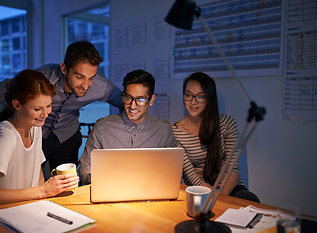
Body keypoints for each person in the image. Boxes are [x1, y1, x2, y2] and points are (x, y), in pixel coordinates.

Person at [0, 41, 124, 179]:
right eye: (79, 77)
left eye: (91, 78)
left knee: (65, 189)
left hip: (68, 138)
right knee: (34, 186)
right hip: (35, 137)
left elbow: (127, 103)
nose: (86, 85)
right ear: (64, 68)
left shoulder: (101, 86)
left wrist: (117, 138)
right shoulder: (39, 79)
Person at [0, 69, 79, 211]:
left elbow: (38, 178)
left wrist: (49, 191)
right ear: (17, 105)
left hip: (14, 213)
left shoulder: (35, 127)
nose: (45, 114)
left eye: (48, 106)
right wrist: (43, 191)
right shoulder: (4, 137)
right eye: (37, 109)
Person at [172, 72, 260, 202]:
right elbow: (191, 174)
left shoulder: (227, 123)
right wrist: (209, 193)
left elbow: (232, 168)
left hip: (229, 187)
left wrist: (220, 198)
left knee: (250, 201)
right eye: (188, 95)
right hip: (198, 188)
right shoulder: (175, 131)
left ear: (209, 98)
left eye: (200, 96)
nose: (193, 101)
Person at [78, 69, 177, 185]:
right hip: (111, 193)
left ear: (151, 100)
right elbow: (85, 168)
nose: (132, 106)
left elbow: (173, 172)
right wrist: (105, 181)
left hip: (151, 195)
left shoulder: (163, 129)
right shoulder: (102, 128)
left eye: (140, 100)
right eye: (128, 98)